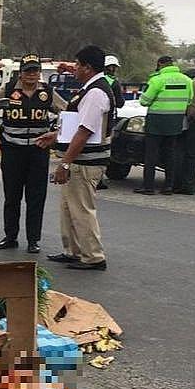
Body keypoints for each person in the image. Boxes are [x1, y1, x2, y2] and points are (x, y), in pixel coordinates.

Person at [35, 45, 114, 271]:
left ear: (88, 68)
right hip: (80, 159)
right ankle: (74, 250)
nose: (75, 69)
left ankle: (93, 256)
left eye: (78, 65)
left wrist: (65, 163)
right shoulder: (90, 88)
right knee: (69, 207)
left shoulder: (96, 92)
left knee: (81, 209)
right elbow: (77, 125)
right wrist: (56, 135)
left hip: (86, 162)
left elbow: (85, 131)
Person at [0, 53, 64, 253]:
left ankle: (33, 240)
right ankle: (10, 236)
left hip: (38, 152)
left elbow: (67, 112)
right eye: (28, 71)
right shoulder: (7, 90)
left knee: (36, 197)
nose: (31, 75)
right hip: (12, 151)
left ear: (39, 73)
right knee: (12, 196)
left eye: (35, 71)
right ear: (20, 73)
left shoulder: (48, 93)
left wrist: (57, 133)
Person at [134, 55, 192, 196]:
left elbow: (144, 101)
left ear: (160, 64)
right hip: (175, 123)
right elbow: (189, 100)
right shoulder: (187, 80)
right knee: (170, 155)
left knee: (151, 156)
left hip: (156, 122)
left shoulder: (157, 80)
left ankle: (149, 187)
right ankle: (168, 187)